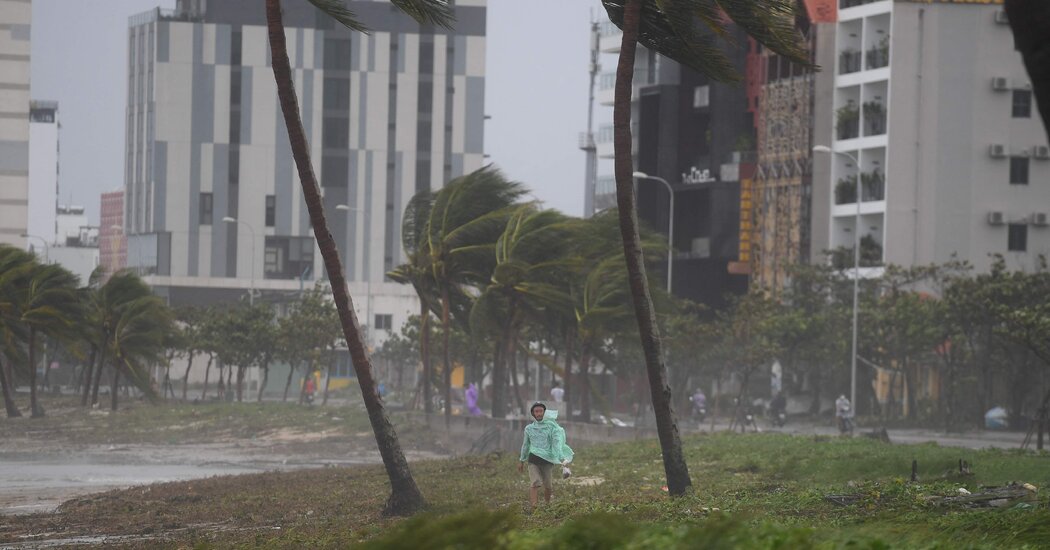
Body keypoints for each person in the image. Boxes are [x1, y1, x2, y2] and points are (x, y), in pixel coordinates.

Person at [518, 402, 574, 507]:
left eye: (541, 411)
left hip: (547, 460)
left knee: (548, 486)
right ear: (533, 414)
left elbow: (556, 444)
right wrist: (521, 460)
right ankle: (534, 507)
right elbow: (525, 445)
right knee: (535, 482)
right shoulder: (529, 429)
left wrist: (563, 460)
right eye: (536, 411)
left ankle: (547, 505)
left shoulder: (552, 428)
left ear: (544, 413)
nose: (539, 414)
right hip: (533, 459)